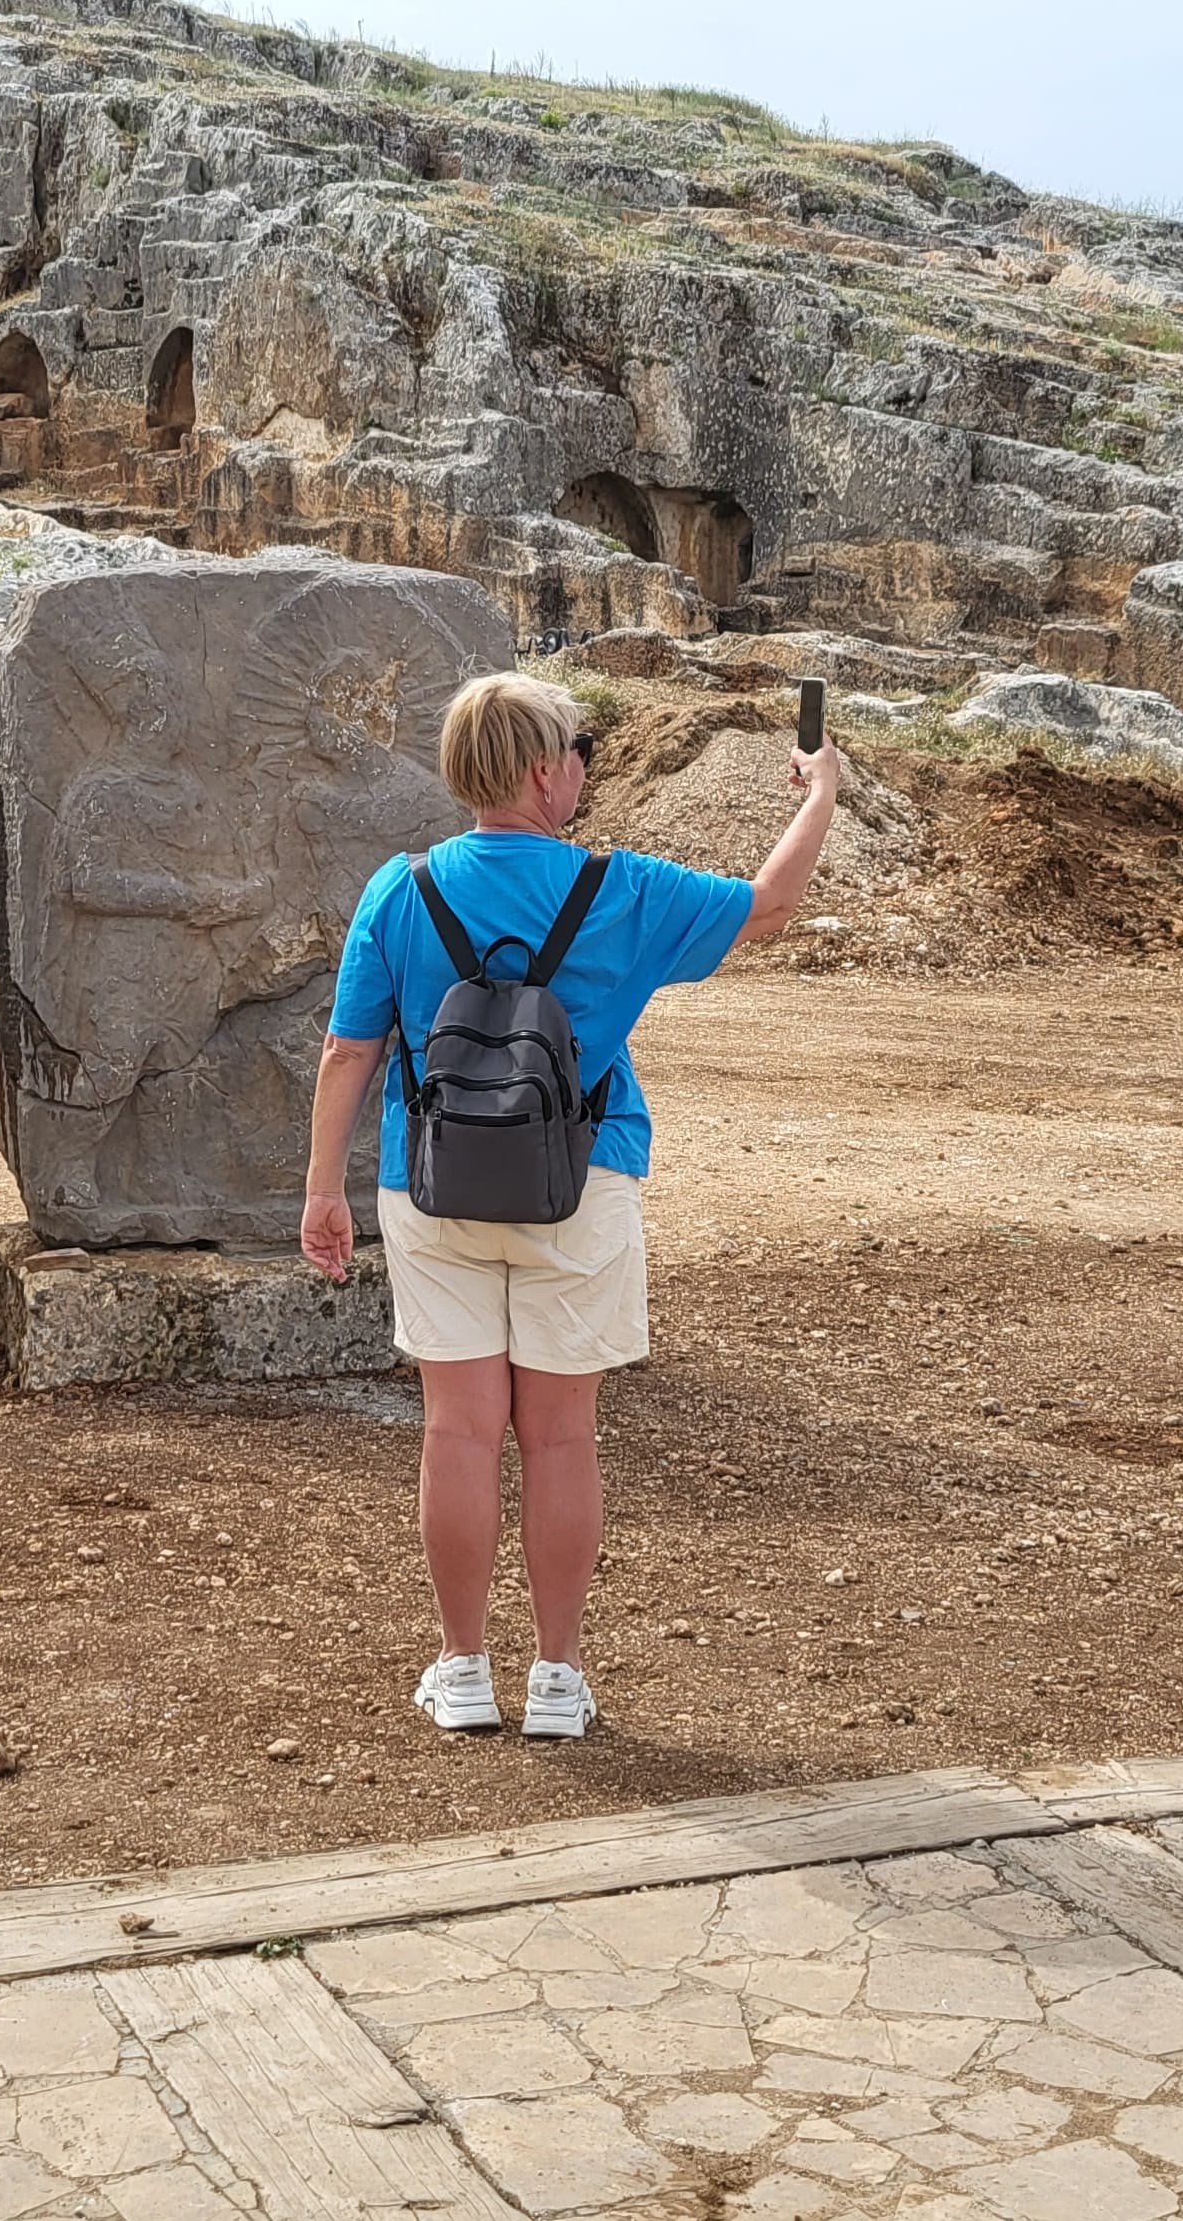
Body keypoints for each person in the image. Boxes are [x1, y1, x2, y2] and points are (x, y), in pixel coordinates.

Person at [301, 674, 849, 1741]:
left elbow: (346, 1048)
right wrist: (817, 791)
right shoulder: (622, 888)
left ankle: (463, 1668)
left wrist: (324, 1187)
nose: (586, 765)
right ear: (547, 767)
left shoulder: (400, 888)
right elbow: (769, 908)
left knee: (458, 1431)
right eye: (579, 747)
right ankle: (556, 1675)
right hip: (580, 1180)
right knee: (561, 1440)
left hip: (434, 1182)